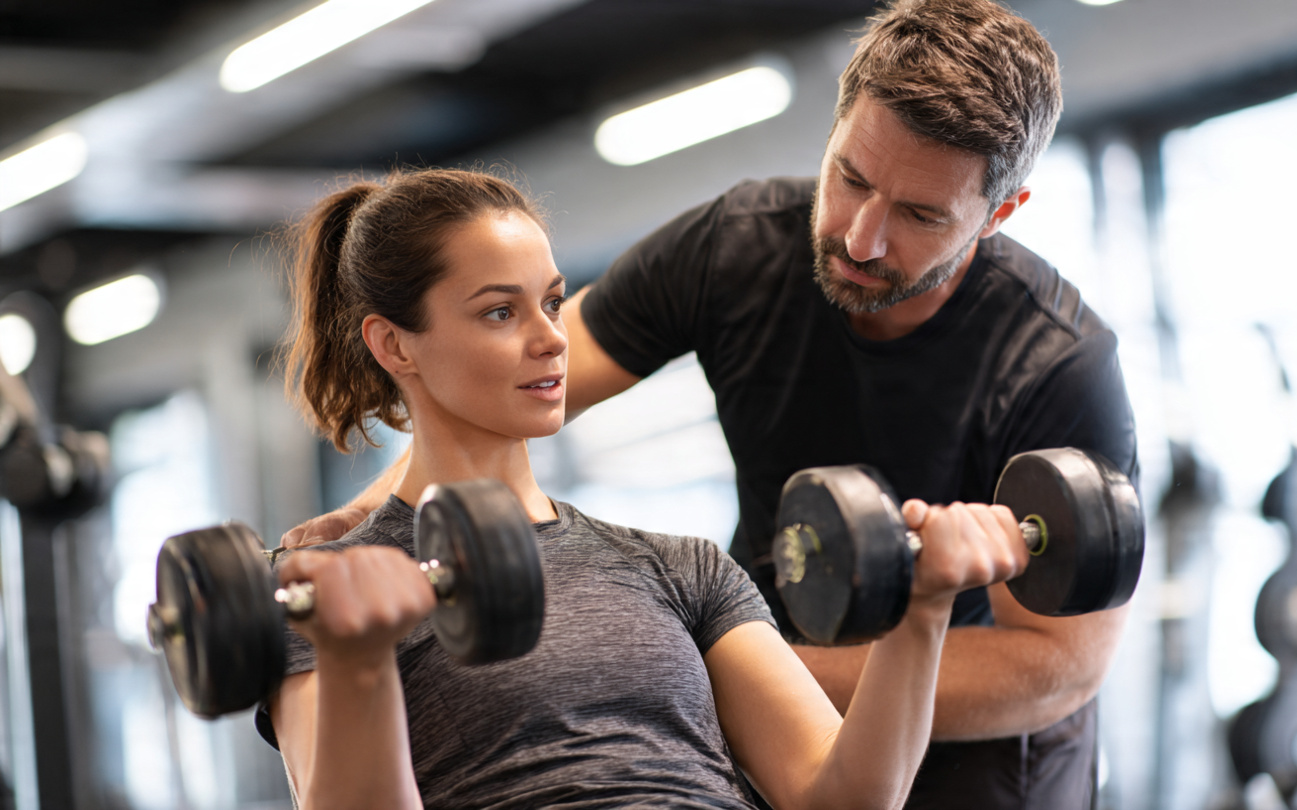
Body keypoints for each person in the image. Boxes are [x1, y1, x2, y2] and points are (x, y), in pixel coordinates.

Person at [285, 1, 1139, 806]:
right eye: (849, 178)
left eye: (919, 214)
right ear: (835, 130)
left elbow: (1054, 666)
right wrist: (362, 530)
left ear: (999, 214)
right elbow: (512, 385)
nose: (860, 236)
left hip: (981, 762)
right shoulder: (735, 249)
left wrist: (720, 652)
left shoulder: (1056, 361)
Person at [261, 166, 1033, 809]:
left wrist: (922, 613)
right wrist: (358, 658)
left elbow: (841, 797)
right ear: (393, 343)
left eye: (553, 301)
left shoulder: (678, 568)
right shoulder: (330, 594)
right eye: (501, 311)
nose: (552, 337)